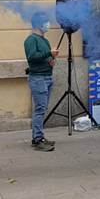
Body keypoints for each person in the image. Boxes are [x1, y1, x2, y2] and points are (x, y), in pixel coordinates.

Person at [24, 12, 59, 152]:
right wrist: (49, 54)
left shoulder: (44, 40)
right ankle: (37, 139)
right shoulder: (31, 40)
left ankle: (40, 136)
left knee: (42, 108)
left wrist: (50, 61)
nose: (48, 24)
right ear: (38, 24)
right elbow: (32, 57)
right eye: (45, 21)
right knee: (39, 109)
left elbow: (43, 58)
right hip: (38, 78)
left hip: (47, 76)